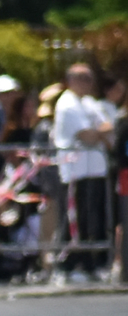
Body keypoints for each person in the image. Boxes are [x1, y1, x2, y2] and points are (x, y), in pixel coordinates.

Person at [51, 62, 115, 274]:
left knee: (95, 219)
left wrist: (99, 132)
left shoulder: (90, 103)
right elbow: (87, 136)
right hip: (75, 172)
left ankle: (91, 264)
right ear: (70, 81)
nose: (88, 83)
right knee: (75, 221)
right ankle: (70, 265)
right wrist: (99, 133)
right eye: (82, 78)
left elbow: (108, 127)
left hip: (95, 170)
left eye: (89, 78)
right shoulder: (67, 104)